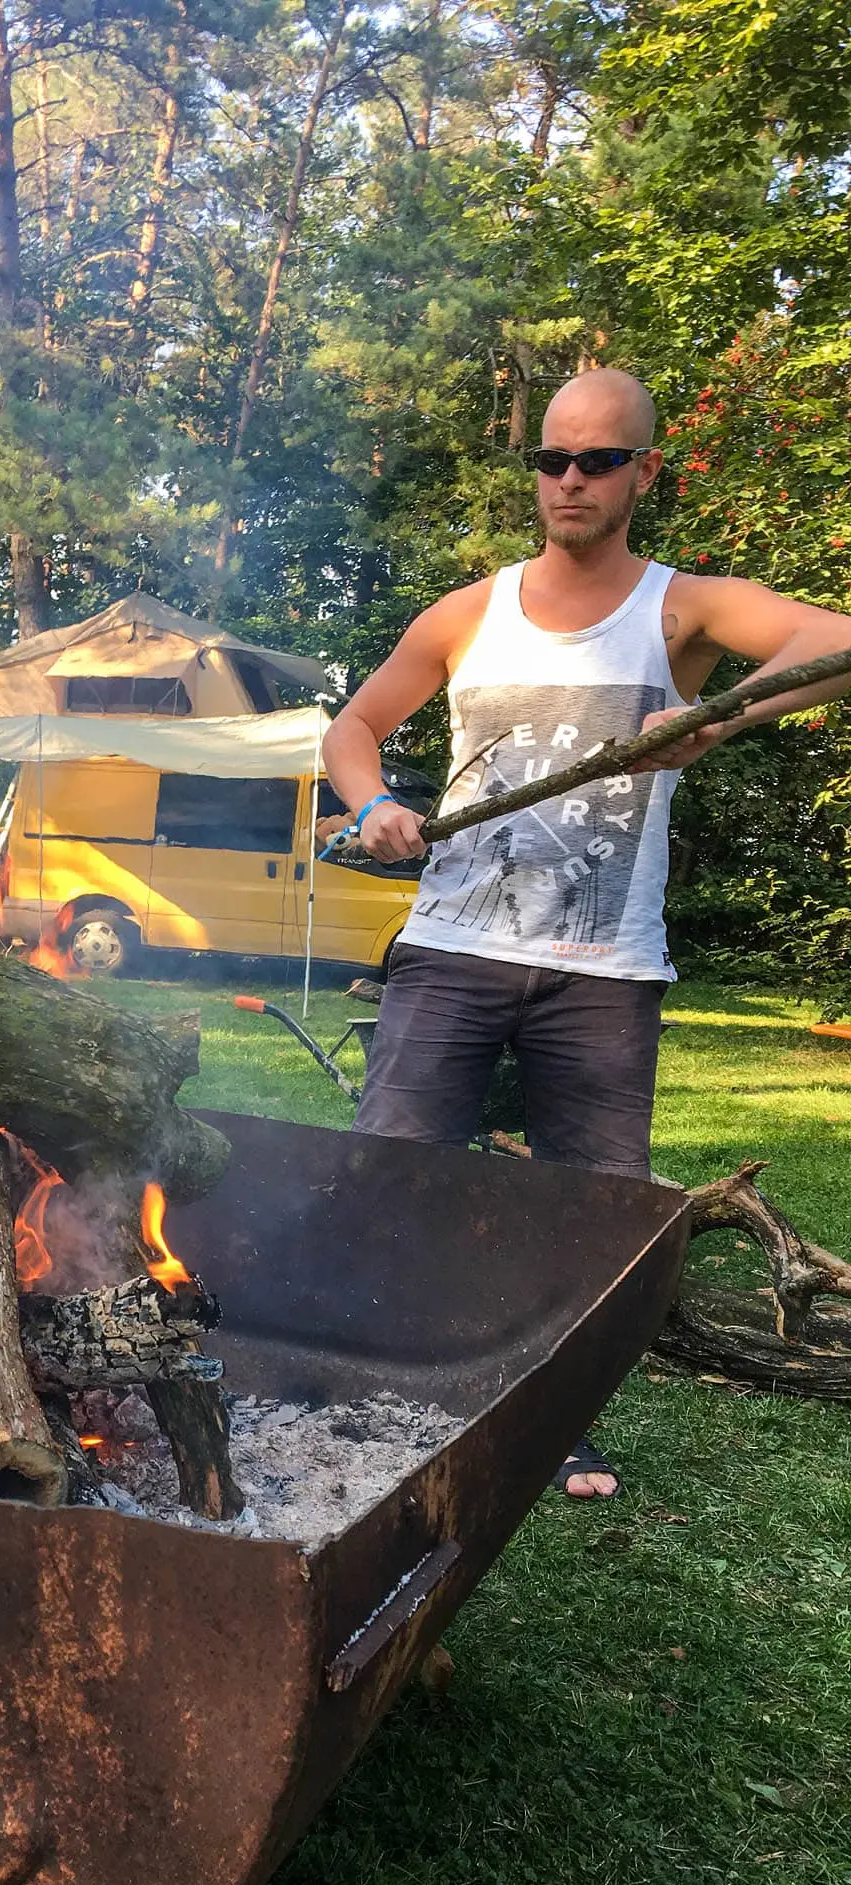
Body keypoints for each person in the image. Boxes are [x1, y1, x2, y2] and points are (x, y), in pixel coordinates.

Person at [322, 365, 851, 1497]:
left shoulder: (680, 605)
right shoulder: (472, 611)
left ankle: (556, 1419)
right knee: (392, 1169)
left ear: (643, 472)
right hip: (454, 946)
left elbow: (835, 638)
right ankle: (376, 1379)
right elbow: (356, 724)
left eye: (598, 459)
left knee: (595, 1207)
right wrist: (373, 806)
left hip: (604, 968)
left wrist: (716, 714)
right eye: (552, 458)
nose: (569, 478)